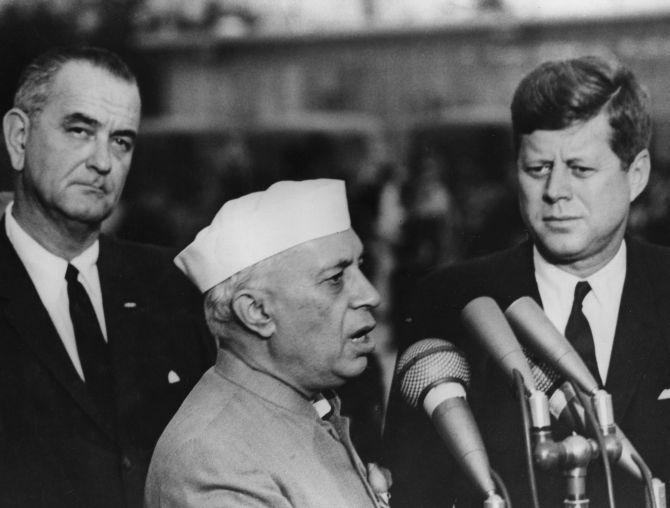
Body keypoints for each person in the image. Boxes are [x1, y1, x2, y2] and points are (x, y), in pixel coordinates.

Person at [383, 55, 668, 507]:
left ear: (636, 175)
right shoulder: (449, 300)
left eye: (580, 169)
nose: (555, 191)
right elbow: (415, 490)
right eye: (537, 169)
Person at [0, 46, 216, 508]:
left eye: (121, 141)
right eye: (80, 130)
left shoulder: (172, 285)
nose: (103, 162)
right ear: (19, 138)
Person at [145, 179, 392, 507]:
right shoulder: (214, 462)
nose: (370, 295)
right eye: (335, 279)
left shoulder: (301, 405)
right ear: (257, 312)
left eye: (360, 268)